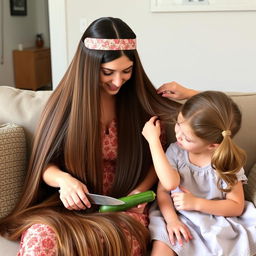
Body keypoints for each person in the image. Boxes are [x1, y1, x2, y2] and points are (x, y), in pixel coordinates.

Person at [0, 17, 187, 256]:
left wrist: (136, 194)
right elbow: (44, 164)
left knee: (113, 240)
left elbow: (159, 158)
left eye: (127, 71)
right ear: (89, 66)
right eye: (108, 72)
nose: (118, 81)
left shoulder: (141, 105)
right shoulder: (63, 106)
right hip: (69, 208)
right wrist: (64, 181)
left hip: (124, 211)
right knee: (40, 237)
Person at [142, 91, 256, 256]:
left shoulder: (227, 162)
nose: (178, 136)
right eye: (178, 125)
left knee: (227, 245)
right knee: (163, 246)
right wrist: (172, 221)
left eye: (187, 139)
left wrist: (196, 203)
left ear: (213, 145)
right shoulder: (176, 152)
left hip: (214, 217)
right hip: (175, 215)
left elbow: (236, 206)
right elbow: (166, 188)